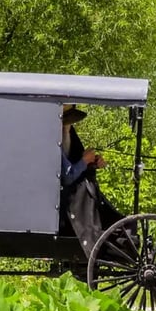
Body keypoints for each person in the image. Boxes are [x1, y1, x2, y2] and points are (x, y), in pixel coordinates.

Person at [59, 105, 124, 254]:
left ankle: (114, 232)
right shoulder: (54, 139)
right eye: (67, 122)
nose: (69, 125)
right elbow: (67, 176)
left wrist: (92, 163)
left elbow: (77, 163)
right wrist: (84, 161)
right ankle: (96, 238)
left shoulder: (69, 134)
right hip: (66, 201)